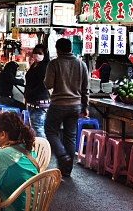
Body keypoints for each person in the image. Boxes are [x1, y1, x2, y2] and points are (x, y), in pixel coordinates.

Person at [43, 37, 89, 177]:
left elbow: (48, 84)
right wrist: (85, 107)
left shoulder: (54, 63)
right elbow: (85, 89)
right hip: (75, 106)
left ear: (58, 50)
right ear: (70, 49)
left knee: (50, 131)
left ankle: (62, 156)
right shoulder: (81, 65)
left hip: (58, 104)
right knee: (70, 136)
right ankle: (67, 171)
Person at [25, 44, 50, 138]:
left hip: (39, 101)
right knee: (35, 127)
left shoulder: (43, 67)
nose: (37, 55)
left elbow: (43, 84)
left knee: (37, 127)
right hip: (33, 100)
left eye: (40, 53)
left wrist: (31, 92)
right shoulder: (34, 66)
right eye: (35, 53)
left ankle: (43, 149)